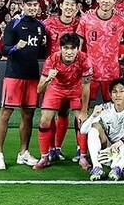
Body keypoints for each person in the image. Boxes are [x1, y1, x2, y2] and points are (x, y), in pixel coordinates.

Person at [0, 0, 48, 171]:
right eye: (29, 5)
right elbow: (4, 49)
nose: (33, 8)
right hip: (14, 75)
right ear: (23, 6)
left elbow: (40, 52)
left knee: (28, 115)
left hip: (32, 76)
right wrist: (16, 47)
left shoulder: (40, 27)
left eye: (35, 5)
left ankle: (23, 153)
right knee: (6, 113)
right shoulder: (14, 23)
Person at [33, 33, 92, 172]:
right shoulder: (52, 59)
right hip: (56, 89)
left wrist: (84, 111)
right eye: (66, 48)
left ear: (78, 49)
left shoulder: (84, 59)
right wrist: (48, 79)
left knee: (82, 121)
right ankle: (44, 157)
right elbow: (39, 89)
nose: (69, 52)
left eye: (73, 48)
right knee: (44, 120)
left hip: (75, 89)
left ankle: (83, 157)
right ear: (60, 48)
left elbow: (86, 86)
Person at [80, 77, 124, 181]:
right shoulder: (105, 108)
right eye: (114, 92)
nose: (118, 95)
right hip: (110, 151)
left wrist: (123, 141)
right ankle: (97, 167)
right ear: (110, 95)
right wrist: (93, 116)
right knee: (95, 126)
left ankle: (118, 168)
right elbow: (83, 131)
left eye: (121, 91)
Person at [44, 0, 81, 161]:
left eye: (73, 5)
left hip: (74, 77)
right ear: (61, 5)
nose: (69, 7)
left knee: (66, 112)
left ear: (77, 8)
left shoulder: (80, 25)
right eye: (67, 4)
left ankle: (58, 147)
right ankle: (50, 148)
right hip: (53, 76)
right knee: (50, 113)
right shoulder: (48, 24)